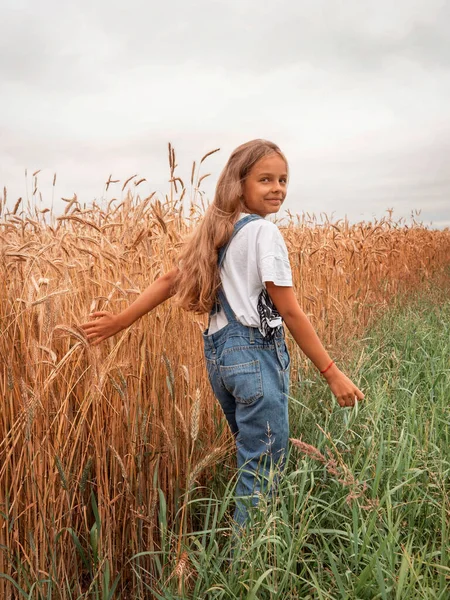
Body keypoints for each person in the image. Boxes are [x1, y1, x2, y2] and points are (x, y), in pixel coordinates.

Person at [80, 139, 364, 527]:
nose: (277, 188)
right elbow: (290, 311)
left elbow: (169, 280)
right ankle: (247, 568)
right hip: (255, 357)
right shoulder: (264, 233)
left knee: (253, 460)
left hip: (222, 361)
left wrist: (119, 322)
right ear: (239, 183)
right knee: (262, 473)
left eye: (283, 179)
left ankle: (243, 559)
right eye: (265, 179)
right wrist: (331, 372)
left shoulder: (217, 234)